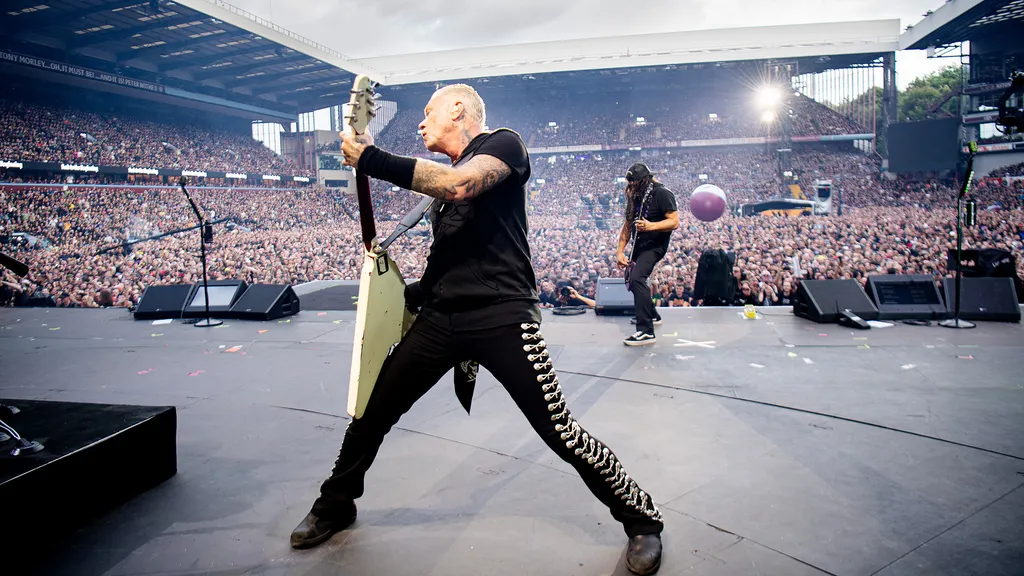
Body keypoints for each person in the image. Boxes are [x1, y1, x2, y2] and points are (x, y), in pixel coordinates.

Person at [290, 84, 664, 575]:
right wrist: (410, 292)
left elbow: (458, 186)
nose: (420, 123)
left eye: (428, 112)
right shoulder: (441, 196)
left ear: (458, 109)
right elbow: (451, 253)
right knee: (373, 411)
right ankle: (336, 502)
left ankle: (642, 519)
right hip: (441, 318)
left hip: (503, 315)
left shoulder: (504, 145)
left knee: (559, 430)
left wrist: (371, 159)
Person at [615, 163, 679, 346]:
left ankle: (646, 331)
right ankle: (652, 314)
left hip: (655, 246)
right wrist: (620, 251)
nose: (632, 187)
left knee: (637, 279)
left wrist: (651, 226)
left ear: (645, 180)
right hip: (639, 244)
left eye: (635, 183)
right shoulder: (635, 195)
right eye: (630, 184)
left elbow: (674, 222)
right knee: (631, 278)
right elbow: (628, 224)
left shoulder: (662, 193)